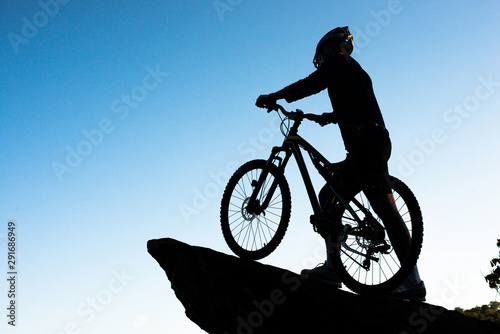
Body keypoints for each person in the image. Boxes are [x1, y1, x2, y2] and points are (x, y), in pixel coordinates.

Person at [256, 26, 425, 301]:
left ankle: (412, 282)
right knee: (329, 197)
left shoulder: (339, 61)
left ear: (328, 49)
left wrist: (276, 96)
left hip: (367, 141)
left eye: (321, 56)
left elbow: (313, 82)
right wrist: (328, 117)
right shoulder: (352, 70)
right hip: (365, 143)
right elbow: (356, 103)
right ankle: (334, 268)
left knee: (384, 206)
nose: (322, 60)